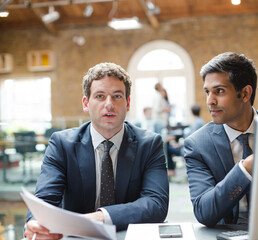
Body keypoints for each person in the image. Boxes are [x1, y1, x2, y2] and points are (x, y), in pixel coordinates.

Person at [24, 62, 169, 239]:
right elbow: (44, 200)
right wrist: (36, 224)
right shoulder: (62, 144)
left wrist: (99, 218)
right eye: (100, 96)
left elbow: (156, 204)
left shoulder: (150, 144)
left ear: (128, 103)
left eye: (117, 96)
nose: (109, 104)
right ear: (86, 103)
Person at [184, 52, 258, 229]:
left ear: (245, 93)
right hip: (231, 232)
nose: (209, 101)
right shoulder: (198, 145)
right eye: (207, 92)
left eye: (219, 91)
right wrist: (245, 168)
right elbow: (204, 212)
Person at [166, 104, 205, 178]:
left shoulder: (196, 124)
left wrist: (179, 144)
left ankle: (171, 171)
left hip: (188, 149)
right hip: (193, 147)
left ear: (191, 112)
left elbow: (190, 139)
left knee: (168, 148)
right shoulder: (200, 121)